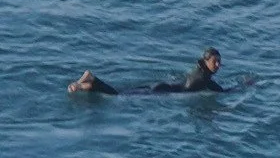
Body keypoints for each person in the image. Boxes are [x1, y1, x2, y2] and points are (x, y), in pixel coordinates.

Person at [67, 49, 227, 96]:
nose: (218, 65)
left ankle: (85, 85)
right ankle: (92, 79)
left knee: (121, 92)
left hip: (162, 86)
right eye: (215, 62)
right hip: (162, 90)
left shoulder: (198, 70)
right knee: (119, 95)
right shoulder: (205, 78)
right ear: (206, 62)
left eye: (219, 61)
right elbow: (221, 91)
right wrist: (243, 87)